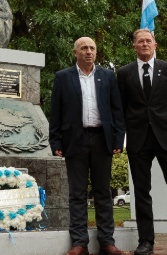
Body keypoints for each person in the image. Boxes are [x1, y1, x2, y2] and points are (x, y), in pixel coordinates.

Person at [116, 29, 167, 255]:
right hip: (138, 139)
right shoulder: (123, 73)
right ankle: (145, 242)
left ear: (155, 45)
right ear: (134, 46)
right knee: (141, 193)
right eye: (140, 41)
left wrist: (162, 122)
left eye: (148, 41)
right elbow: (122, 108)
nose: (144, 44)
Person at [49, 37, 125, 255]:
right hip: (74, 140)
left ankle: (107, 242)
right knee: (77, 193)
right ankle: (79, 243)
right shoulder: (63, 77)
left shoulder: (108, 76)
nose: (89, 51)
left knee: (103, 193)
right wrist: (55, 141)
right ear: (75, 52)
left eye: (92, 48)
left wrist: (119, 139)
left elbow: (116, 110)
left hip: (102, 140)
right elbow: (56, 113)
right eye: (84, 48)